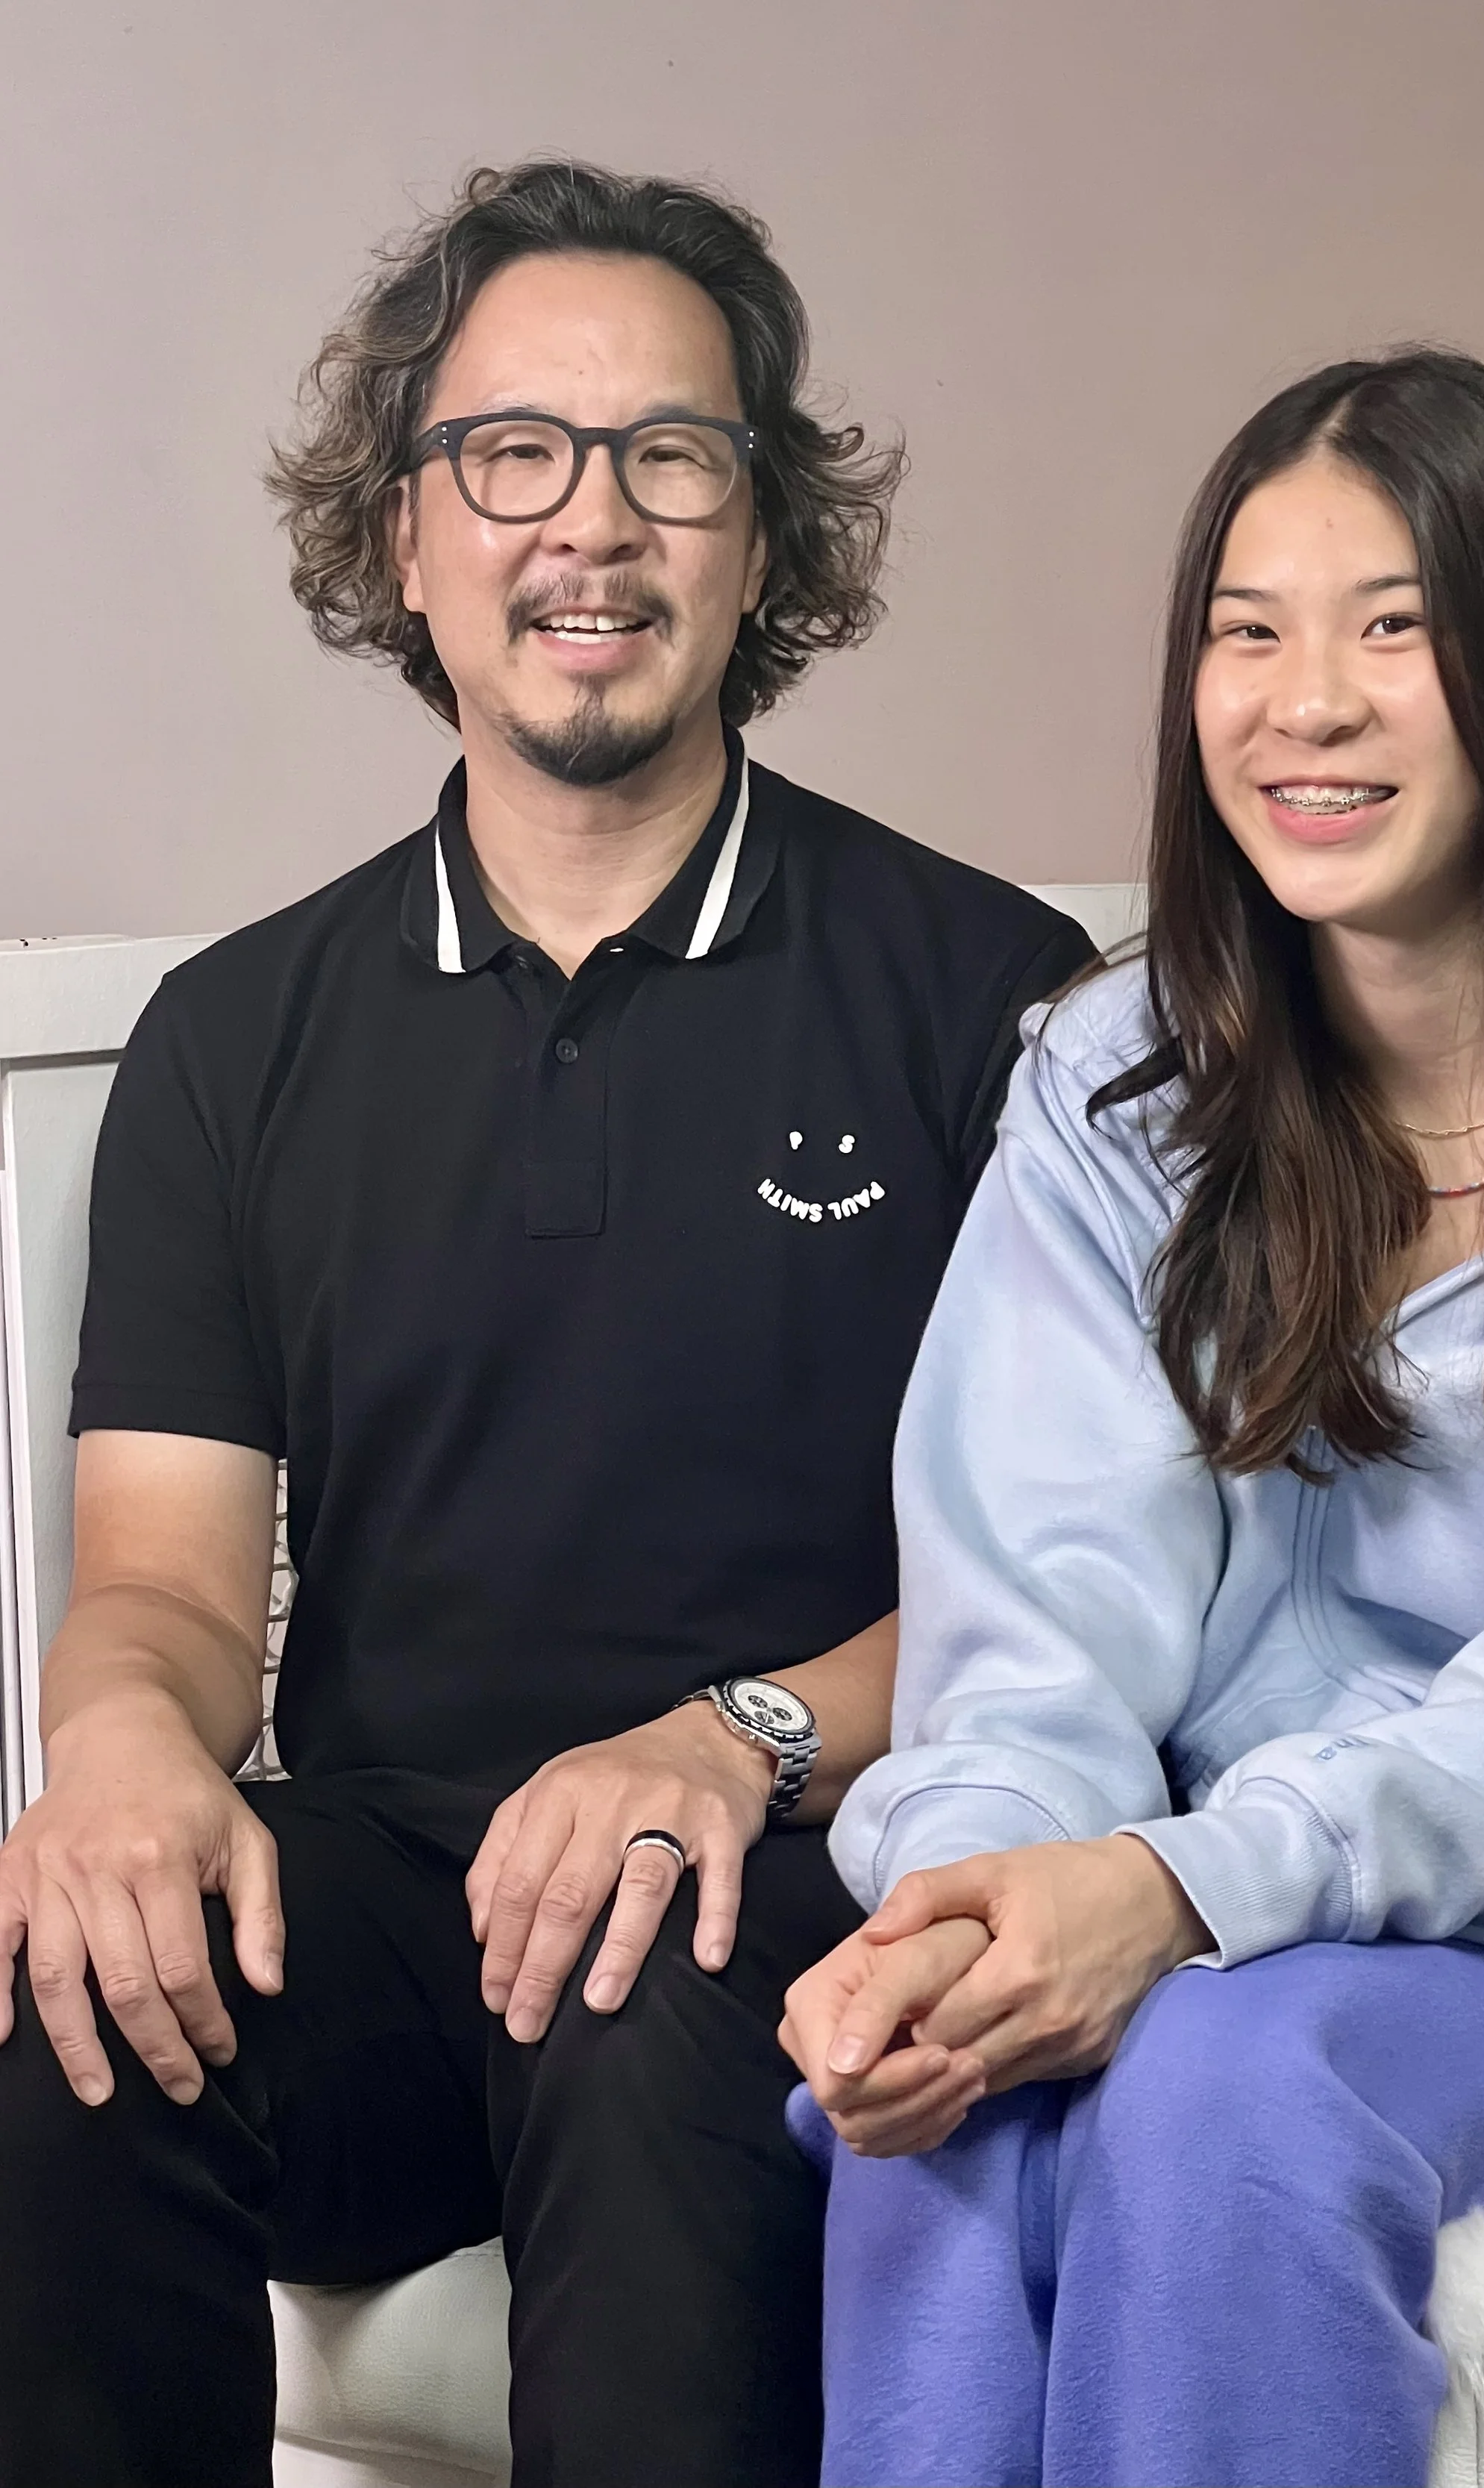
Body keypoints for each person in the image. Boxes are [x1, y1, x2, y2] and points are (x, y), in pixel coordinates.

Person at [0, 160, 1093, 2488]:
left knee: (641, 1964)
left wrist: (734, 1738)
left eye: (668, 456)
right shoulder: (235, 1035)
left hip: (791, 1871)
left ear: (763, 538)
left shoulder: (993, 1003)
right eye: (513, 452)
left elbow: (1083, 1588)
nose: (587, 523)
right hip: (391, 1900)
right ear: (405, 537)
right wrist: (112, 1755)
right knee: (56, 2001)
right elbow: (169, 1592)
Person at [782, 348, 1484, 2488]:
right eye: (1245, 633)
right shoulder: (1115, 1100)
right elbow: (1031, 1634)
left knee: (1229, 2081)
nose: (1306, 702)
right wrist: (977, 1918)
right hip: (1246, 1934)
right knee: (932, 2096)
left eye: (1394, 629)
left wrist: (1184, 1890)